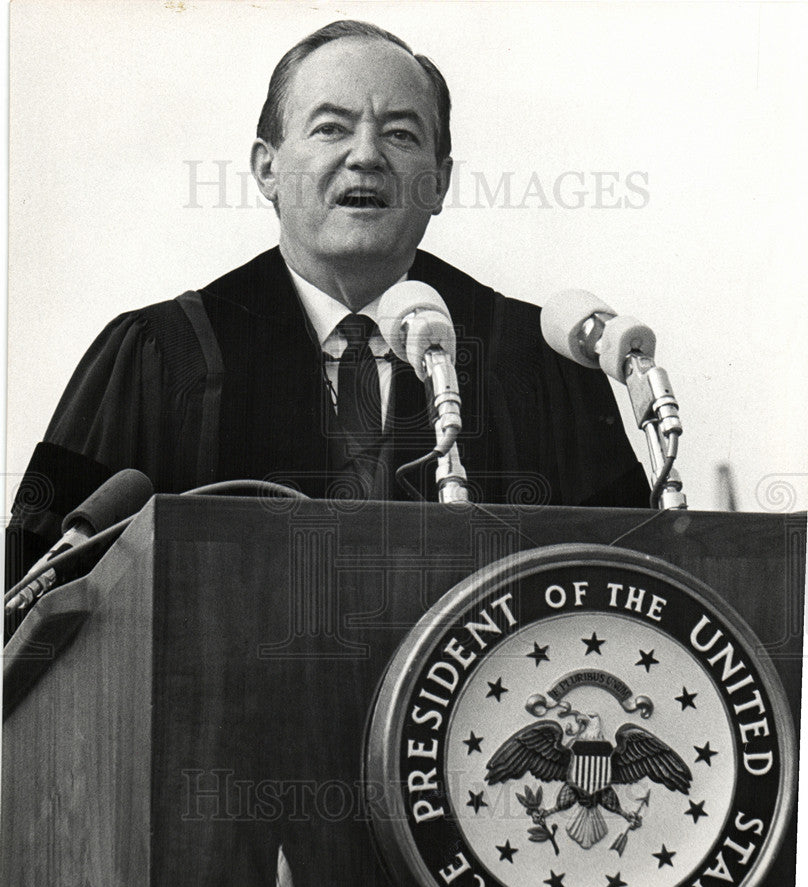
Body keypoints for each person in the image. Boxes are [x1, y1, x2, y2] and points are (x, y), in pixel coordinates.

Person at [6, 19, 648, 587]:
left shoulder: (534, 363)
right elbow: (33, 613)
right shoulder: (159, 357)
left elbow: (633, 593)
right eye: (330, 128)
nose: (365, 156)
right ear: (265, 169)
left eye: (400, 134)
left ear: (441, 181)